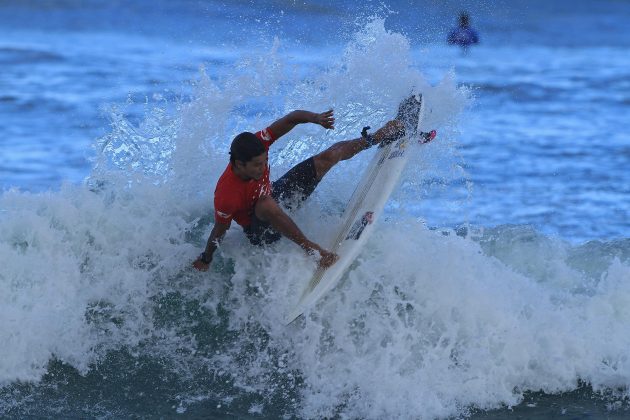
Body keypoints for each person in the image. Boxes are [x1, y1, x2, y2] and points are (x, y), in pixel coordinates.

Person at [192, 109, 405, 271]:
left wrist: (316, 118)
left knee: (327, 157)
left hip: (275, 198)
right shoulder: (226, 195)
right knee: (265, 203)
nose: (262, 167)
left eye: (264, 162)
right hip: (261, 232)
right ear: (239, 164)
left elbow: (290, 119)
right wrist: (206, 258)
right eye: (257, 165)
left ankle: (378, 136)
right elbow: (219, 231)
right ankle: (312, 250)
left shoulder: (259, 143)